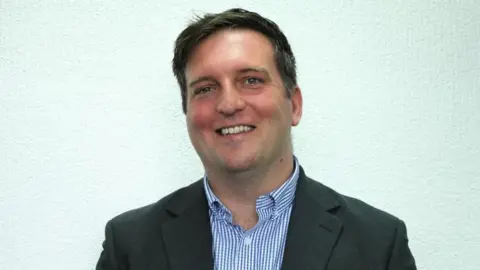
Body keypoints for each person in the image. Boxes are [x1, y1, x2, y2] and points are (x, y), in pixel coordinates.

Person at [96, 8, 417, 270]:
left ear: (295, 105)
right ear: (188, 112)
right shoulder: (129, 244)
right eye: (206, 88)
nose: (229, 104)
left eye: (251, 80)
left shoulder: (378, 243)